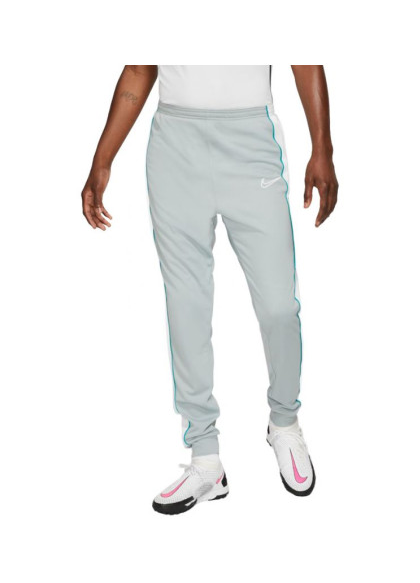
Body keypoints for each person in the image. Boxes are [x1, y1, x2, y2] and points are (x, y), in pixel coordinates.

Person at [82, 65, 338, 515]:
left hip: (251, 141)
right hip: (174, 147)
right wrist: (102, 159)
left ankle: (284, 423)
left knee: (279, 306)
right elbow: (140, 69)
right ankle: (205, 457)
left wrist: (323, 148)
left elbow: (304, 57)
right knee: (187, 306)